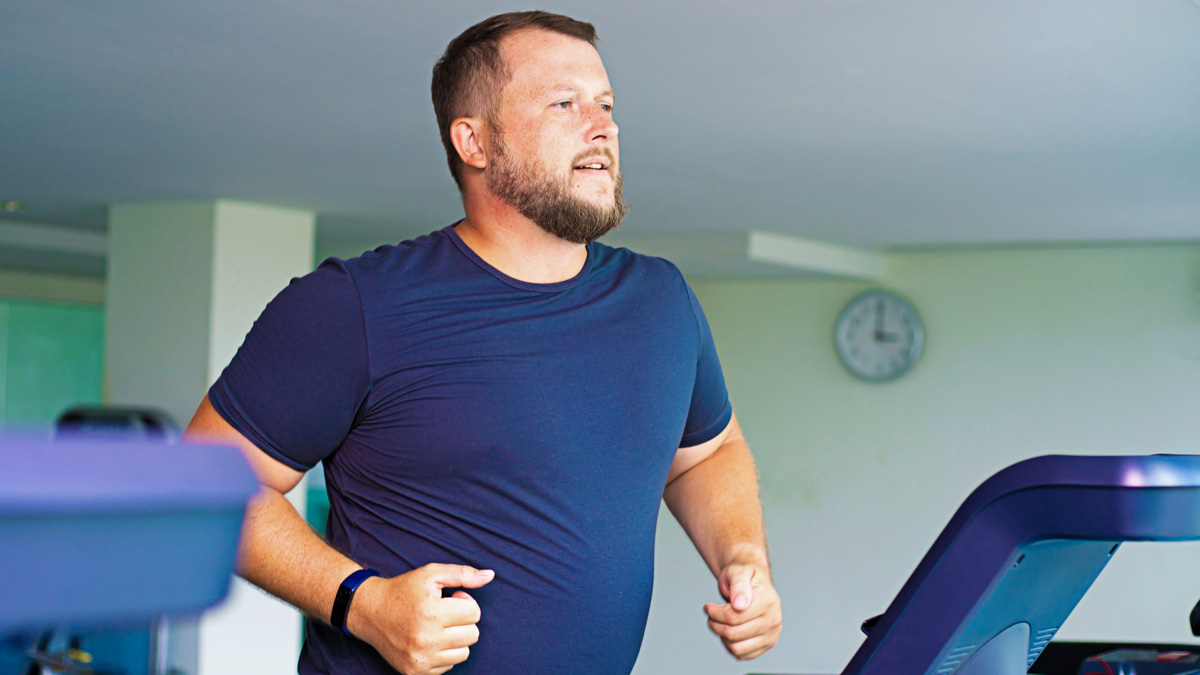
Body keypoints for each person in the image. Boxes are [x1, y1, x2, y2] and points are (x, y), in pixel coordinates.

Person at [185, 10, 782, 675]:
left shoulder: (662, 301)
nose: (603, 125)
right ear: (474, 142)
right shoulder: (354, 305)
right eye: (564, 102)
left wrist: (742, 554)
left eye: (606, 104)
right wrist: (364, 602)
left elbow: (707, 452)